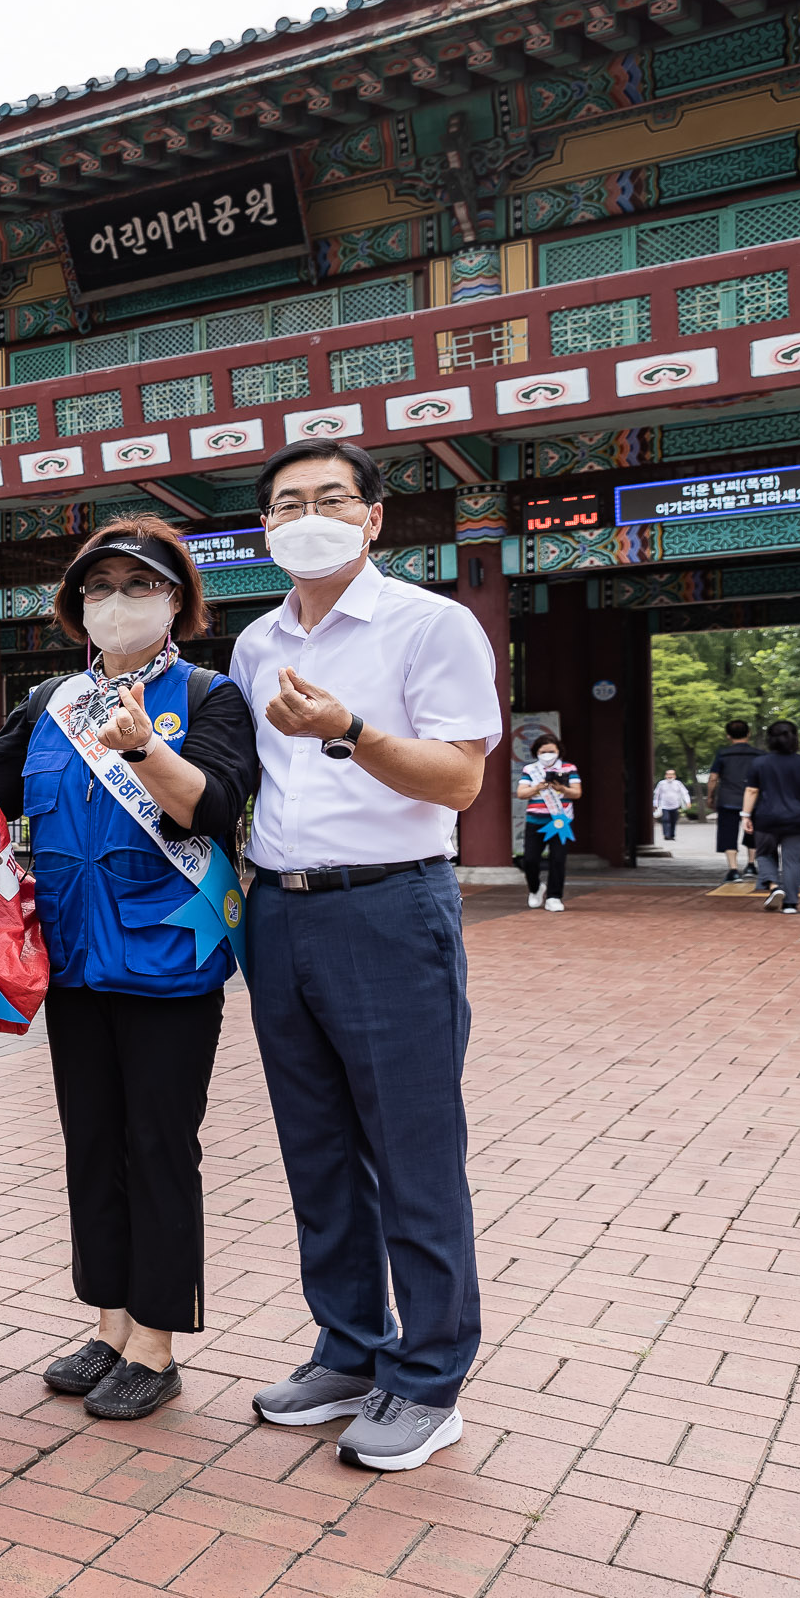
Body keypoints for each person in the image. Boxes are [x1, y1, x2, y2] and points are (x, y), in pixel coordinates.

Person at [229, 439, 501, 1473]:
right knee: (318, 1150)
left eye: (330, 498)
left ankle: (428, 1378)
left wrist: (348, 729)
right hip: (281, 913)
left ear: (373, 517)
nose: (310, 515)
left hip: (390, 907)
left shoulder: (430, 625)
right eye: (287, 502)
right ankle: (348, 1347)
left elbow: (459, 781)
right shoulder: (254, 644)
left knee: (412, 1151)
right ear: (264, 528)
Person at [0, 520, 258, 1422]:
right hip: (75, 966)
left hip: (170, 961)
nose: (116, 601)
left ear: (175, 599)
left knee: (160, 1148)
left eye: (138, 585)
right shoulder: (47, 702)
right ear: (77, 607)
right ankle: (107, 1324)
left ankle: (157, 1343)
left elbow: (213, 808)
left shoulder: (210, 695)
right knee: (92, 1145)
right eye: (98, 587)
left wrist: (145, 748)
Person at [743, 719, 800, 914]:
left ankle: (775, 886)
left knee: (765, 854)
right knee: (795, 861)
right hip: (799, 818)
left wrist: (745, 815)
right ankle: (791, 904)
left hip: (766, 818)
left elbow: (751, 790)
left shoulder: (759, 762)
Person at [514, 733, 580, 913]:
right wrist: (537, 787)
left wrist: (562, 788)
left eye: (552, 751)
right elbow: (521, 793)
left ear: (559, 751)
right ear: (537, 752)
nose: (548, 754)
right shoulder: (530, 770)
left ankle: (554, 896)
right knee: (530, 860)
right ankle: (535, 888)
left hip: (560, 820)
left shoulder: (568, 768)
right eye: (544, 751)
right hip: (535, 820)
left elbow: (576, 793)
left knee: (558, 859)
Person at [708, 720, 763, 884]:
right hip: (754, 800)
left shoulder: (723, 754)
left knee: (728, 832)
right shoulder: (760, 754)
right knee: (753, 830)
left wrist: (710, 796)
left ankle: (733, 870)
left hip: (728, 798)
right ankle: (752, 865)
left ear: (728, 735)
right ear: (749, 734)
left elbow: (713, 778)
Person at [653, 770, 690, 844]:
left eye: (671, 774)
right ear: (665, 775)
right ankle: (666, 834)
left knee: (673, 821)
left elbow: (684, 793)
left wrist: (688, 802)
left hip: (675, 805)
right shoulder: (661, 783)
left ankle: (672, 835)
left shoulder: (678, 783)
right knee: (665, 819)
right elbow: (657, 794)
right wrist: (655, 804)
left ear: (674, 776)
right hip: (664, 805)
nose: (670, 776)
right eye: (668, 774)